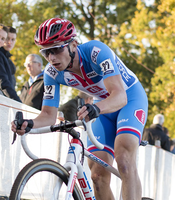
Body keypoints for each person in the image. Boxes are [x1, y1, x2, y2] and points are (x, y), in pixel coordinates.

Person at [11, 18, 148, 200]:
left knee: (124, 160)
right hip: (101, 106)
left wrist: (96, 108)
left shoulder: (95, 52)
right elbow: (48, 115)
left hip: (129, 98)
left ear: (73, 44)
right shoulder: (52, 73)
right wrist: (29, 124)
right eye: (46, 52)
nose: (52, 58)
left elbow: (119, 96)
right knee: (97, 175)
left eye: (57, 49)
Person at [0, 26, 21, 102]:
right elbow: (2, 81)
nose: (10, 42)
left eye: (13, 39)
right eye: (7, 38)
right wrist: (17, 101)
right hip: (0, 99)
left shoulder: (8, 59)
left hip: (8, 100)